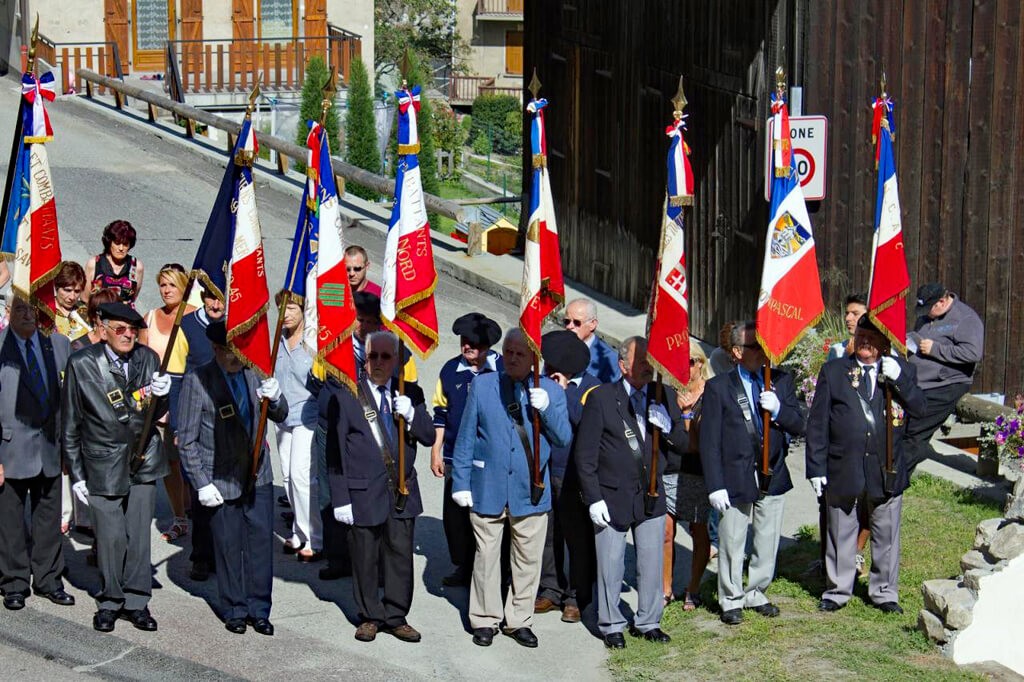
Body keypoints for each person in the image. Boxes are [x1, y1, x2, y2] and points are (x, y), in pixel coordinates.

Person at [451, 328, 571, 648]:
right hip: (487, 485)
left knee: (527, 561)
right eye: (508, 352)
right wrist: (460, 481)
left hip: (529, 489)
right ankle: (485, 619)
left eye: (521, 354)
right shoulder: (484, 384)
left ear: (535, 358)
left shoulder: (549, 391)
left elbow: (563, 439)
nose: (513, 359)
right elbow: (467, 436)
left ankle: (519, 620)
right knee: (486, 557)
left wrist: (546, 409)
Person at [807, 315, 926, 614]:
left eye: (872, 339)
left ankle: (885, 592)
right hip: (843, 464)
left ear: (886, 343)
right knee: (840, 529)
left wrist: (898, 378)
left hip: (886, 467)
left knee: (885, 532)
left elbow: (921, 410)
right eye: (861, 336)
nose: (864, 343)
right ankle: (837, 589)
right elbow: (818, 423)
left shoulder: (901, 371)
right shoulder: (835, 371)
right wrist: (816, 467)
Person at [63, 302, 171, 633]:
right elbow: (70, 424)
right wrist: (77, 474)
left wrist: (165, 396)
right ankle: (110, 600)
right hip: (102, 461)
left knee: (138, 536)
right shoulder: (82, 364)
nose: (128, 336)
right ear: (103, 327)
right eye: (120, 329)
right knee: (110, 539)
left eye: (133, 330)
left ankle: (137, 600)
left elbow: (153, 410)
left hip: (143, 458)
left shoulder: (148, 359)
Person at [575, 336, 687, 648]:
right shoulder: (601, 398)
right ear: (623, 366)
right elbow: (585, 456)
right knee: (611, 565)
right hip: (610, 496)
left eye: (650, 361)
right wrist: (593, 497)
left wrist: (667, 428)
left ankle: (649, 621)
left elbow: (685, 445)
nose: (648, 367)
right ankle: (611, 625)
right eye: (641, 362)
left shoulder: (664, 394)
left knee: (650, 563)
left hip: (651, 494)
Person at [177, 321, 286, 636]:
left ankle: (259, 609)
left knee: (260, 545)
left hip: (257, 474)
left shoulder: (256, 372)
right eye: (229, 350)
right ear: (215, 349)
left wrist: (276, 397)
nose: (236, 355)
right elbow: (186, 440)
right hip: (219, 478)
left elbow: (279, 414)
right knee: (228, 546)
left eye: (239, 348)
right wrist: (201, 482)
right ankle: (235, 608)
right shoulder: (199, 381)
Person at [326, 331, 434, 643]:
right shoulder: (348, 396)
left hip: (400, 490)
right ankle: (370, 615)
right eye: (373, 356)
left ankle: (396, 615)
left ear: (397, 361)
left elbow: (428, 436)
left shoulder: (410, 393)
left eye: (386, 357)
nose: (378, 363)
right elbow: (335, 452)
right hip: (362, 490)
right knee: (365, 556)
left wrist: (412, 414)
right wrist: (340, 498)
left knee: (400, 556)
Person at [699, 321, 805, 626]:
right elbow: (710, 441)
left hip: (772, 472)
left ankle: (757, 591)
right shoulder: (719, 387)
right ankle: (730, 597)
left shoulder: (780, 381)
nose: (762, 352)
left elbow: (800, 424)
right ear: (736, 352)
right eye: (754, 347)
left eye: (762, 345)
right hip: (734, 475)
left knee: (767, 537)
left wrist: (780, 410)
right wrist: (715, 485)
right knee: (732, 538)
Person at [0, 296, 74, 611]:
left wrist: (67, 448)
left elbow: (68, 398)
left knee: (48, 516)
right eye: (19, 308)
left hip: (49, 447)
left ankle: (48, 579)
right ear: (7, 313)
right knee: (11, 521)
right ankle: (14, 582)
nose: (27, 314)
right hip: (10, 449)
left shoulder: (57, 344)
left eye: (32, 308)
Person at [431, 312, 503, 587]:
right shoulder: (450, 370)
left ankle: (493, 570)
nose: (466, 346)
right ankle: (464, 565)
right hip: (455, 456)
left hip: (490, 458)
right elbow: (440, 412)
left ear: (486, 344)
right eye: (463, 341)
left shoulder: (503, 369)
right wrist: (436, 450)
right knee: (456, 518)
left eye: (473, 342)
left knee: (489, 514)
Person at [534, 330, 601, 623]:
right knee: (549, 535)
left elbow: (585, 423)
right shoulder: (543, 385)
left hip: (575, 474)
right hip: (547, 470)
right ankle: (551, 588)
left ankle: (576, 595)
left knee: (577, 538)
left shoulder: (591, 388)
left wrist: (563, 395)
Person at [140, 264, 195, 544]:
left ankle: (197, 505)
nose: (166, 290)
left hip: (187, 394)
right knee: (170, 462)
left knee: (191, 458)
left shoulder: (194, 317)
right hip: (158, 395)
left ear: (184, 286)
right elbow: (141, 358)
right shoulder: (150, 316)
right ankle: (180, 517)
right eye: (162, 284)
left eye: (172, 284)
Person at [905, 283, 984, 473]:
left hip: (945, 384)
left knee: (915, 432)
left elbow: (973, 353)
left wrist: (935, 349)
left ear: (942, 301)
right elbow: (919, 336)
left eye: (928, 309)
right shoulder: (927, 316)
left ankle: (894, 477)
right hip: (919, 382)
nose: (925, 314)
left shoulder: (965, 319)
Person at [178, 283, 225, 581]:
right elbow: (177, 371)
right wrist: (177, 424)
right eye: (210, 297)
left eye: (221, 298)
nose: (215, 304)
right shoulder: (187, 324)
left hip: (229, 415)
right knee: (201, 491)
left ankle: (225, 555)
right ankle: (201, 557)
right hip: (197, 410)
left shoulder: (241, 325)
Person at [663, 343, 713, 611]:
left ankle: (693, 587)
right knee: (666, 531)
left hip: (700, 470)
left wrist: (687, 415)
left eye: (692, 361)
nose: (687, 367)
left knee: (698, 529)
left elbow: (698, 441)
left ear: (701, 363)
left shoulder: (711, 391)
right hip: (671, 468)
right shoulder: (668, 392)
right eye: (682, 362)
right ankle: (666, 587)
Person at [273, 291, 321, 562]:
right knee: (289, 478)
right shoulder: (278, 341)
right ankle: (298, 530)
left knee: (303, 476)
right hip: (282, 415)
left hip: (307, 416)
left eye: (292, 308)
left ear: (303, 310)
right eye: (282, 308)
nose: (286, 313)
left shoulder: (310, 341)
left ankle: (314, 536)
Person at [83, 219, 145, 305]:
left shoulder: (137, 267)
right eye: (117, 243)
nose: (121, 248)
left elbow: (133, 298)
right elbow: (85, 299)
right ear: (109, 242)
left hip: (124, 316)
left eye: (125, 244)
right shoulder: (94, 264)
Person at [563, 298, 620, 383]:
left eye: (577, 322)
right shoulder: (558, 347)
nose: (569, 326)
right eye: (567, 321)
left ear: (592, 324)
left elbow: (609, 394)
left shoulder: (610, 359)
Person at [52, 261, 91, 350]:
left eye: (77, 291)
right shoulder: (45, 312)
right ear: (56, 287)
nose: (72, 297)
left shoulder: (86, 310)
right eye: (67, 290)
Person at [828, 293, 868, 361]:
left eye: (855, 314)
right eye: (847, 313)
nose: (847, 318)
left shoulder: (885, 353)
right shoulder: (837, 351)